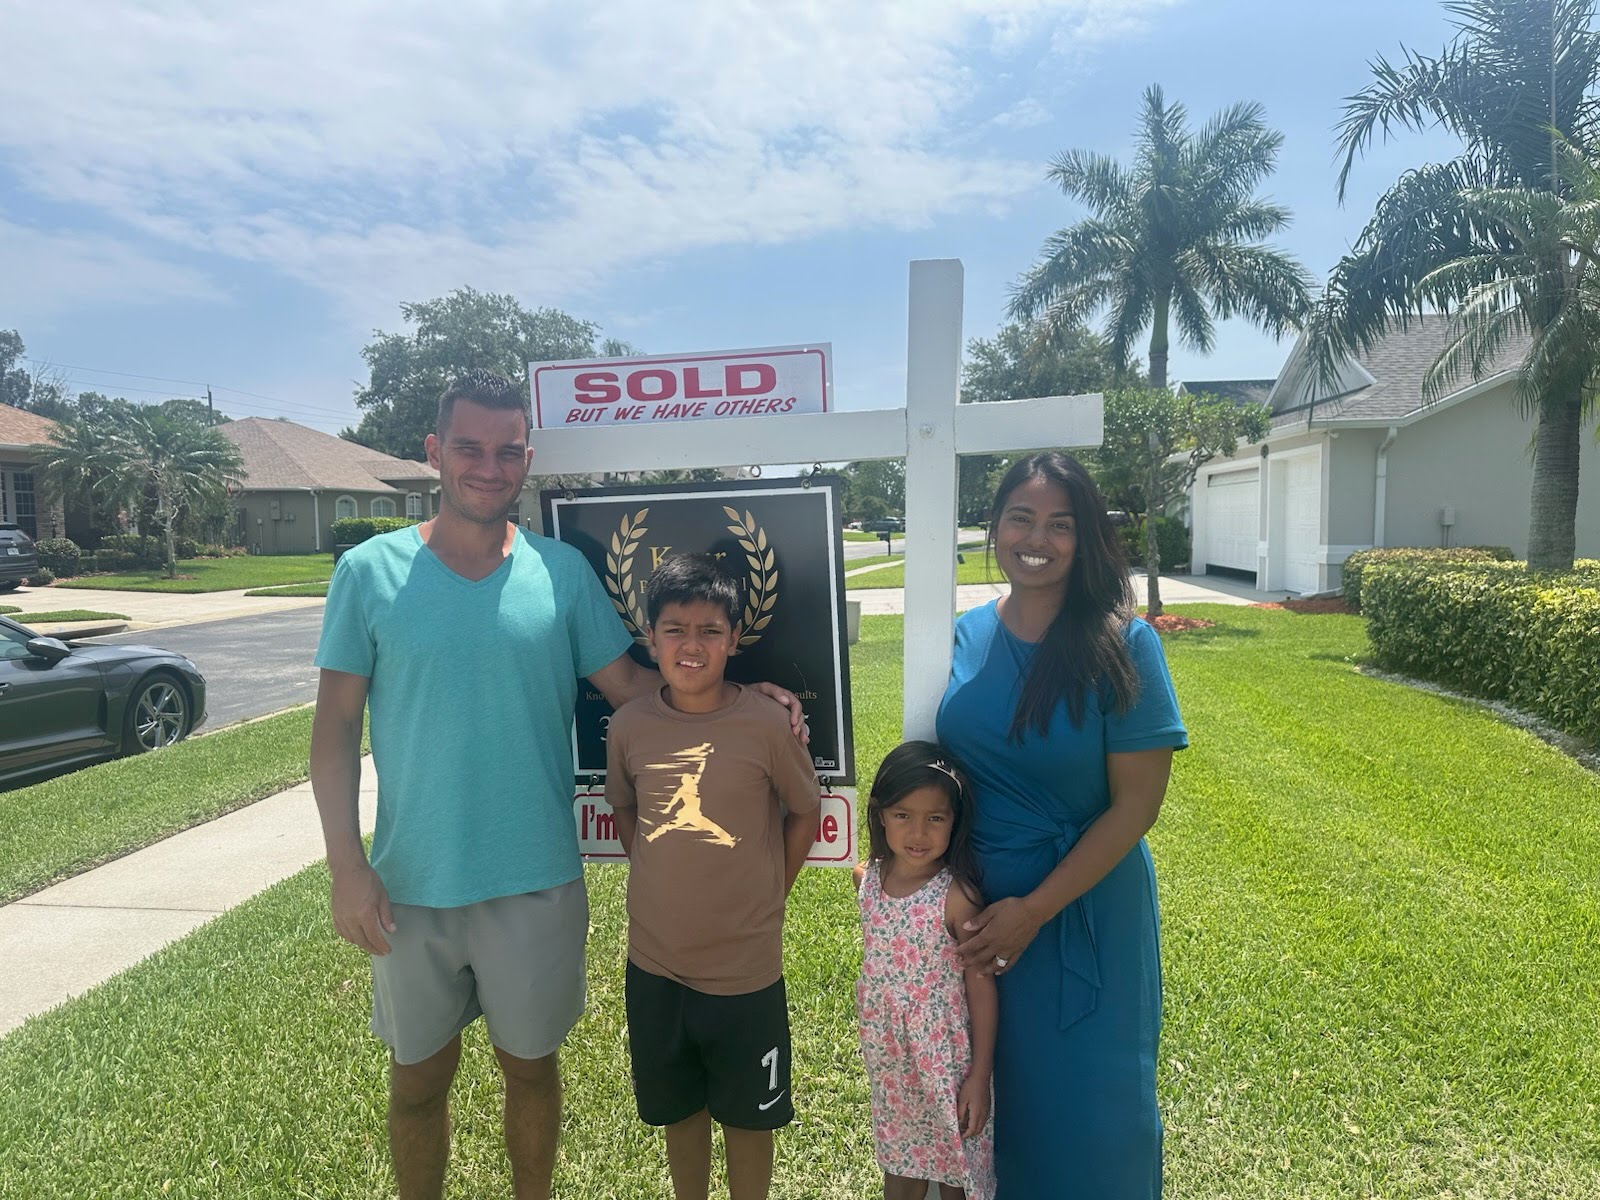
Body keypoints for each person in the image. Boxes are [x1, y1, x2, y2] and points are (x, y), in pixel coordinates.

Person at [310, 371, 803, 1200]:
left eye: (507, 451)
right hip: (410, 884)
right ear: (434, 452)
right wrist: (345, 868)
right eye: (469, 447)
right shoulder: (368, 572)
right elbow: (332, 736)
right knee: (417, 1082)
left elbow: (636, 689)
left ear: (528, 459)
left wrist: (745, 698)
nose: (488, 467)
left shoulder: (562, 573)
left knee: (532, 1073)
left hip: (536, 878)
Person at [938, 451, 1187, 1199]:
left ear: (1086, 539)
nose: (1037, 538)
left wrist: (1034, 911)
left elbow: (1136, 807)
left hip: (1084, 913)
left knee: (1094, 1114)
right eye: (1021, 518)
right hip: (980, 917)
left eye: (1061, 524)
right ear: (995, 525)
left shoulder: (1124, 643)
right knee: (997, 1111)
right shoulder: (964, 635)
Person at [605, 552, 822, 1200]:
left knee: (750, 1120)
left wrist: (772, 890)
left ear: (734, 640)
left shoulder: (767, 724)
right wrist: (652, 869)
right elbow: (624, 807)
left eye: (709, 630)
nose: (691, 645)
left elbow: (804, 812)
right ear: (651, 639)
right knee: (680, 1112)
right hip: (655, 966)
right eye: (675, 629)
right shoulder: (629, 726)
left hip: (744, 971)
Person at [853, 740, 996, 1200]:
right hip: (891, 1062)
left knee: (957, 1170)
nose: (918, 832)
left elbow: (981, 986)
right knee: (901, 1166)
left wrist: (979, 1076)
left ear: (955, 820)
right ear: (880, 814)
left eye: (935, 818)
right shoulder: (866, 880)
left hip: (946, 1061)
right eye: (902, 815)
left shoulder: (956, 897)